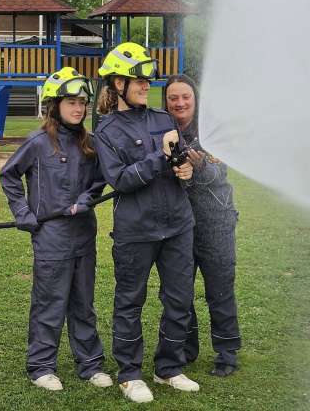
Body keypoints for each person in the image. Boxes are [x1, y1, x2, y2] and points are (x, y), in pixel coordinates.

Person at [93, 42, 199, 403]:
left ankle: (168, 367)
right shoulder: (105, 131)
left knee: (180, 298)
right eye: (136, 79)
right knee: (129, 301)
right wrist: (161, 156)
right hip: (136, 231)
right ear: (117, 84)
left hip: (178, 225)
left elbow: (178, 159)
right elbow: (120, 179)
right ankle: (129, 373)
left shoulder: (163, 118)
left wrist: (184, 167)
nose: (144, 84)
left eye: (145, 78)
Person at [0, 68, 113, 392]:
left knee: (83, 303)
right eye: (71, 102)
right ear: (54, 105)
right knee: (50, 303)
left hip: (83, 236)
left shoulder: (89, 143)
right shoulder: (37, 143)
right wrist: (22, 212)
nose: (78, 109)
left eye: (82, 103)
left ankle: (90, 365)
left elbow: (100, 179)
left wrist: (87, 198)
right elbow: (9, 175)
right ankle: (41, 366)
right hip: (51, 239)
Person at [164, 74, 241, 377]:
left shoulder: (214, 133)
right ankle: (186, 347)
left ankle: (227, 353)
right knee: (179, 290)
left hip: (215, 223)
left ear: (195, 100)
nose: (180, 103)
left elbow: (217, 177)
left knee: (219, 289)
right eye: (173, 98)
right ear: (166, 102)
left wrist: (201, 166)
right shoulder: (163, 131)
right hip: (178, 225)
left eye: (186, 97)